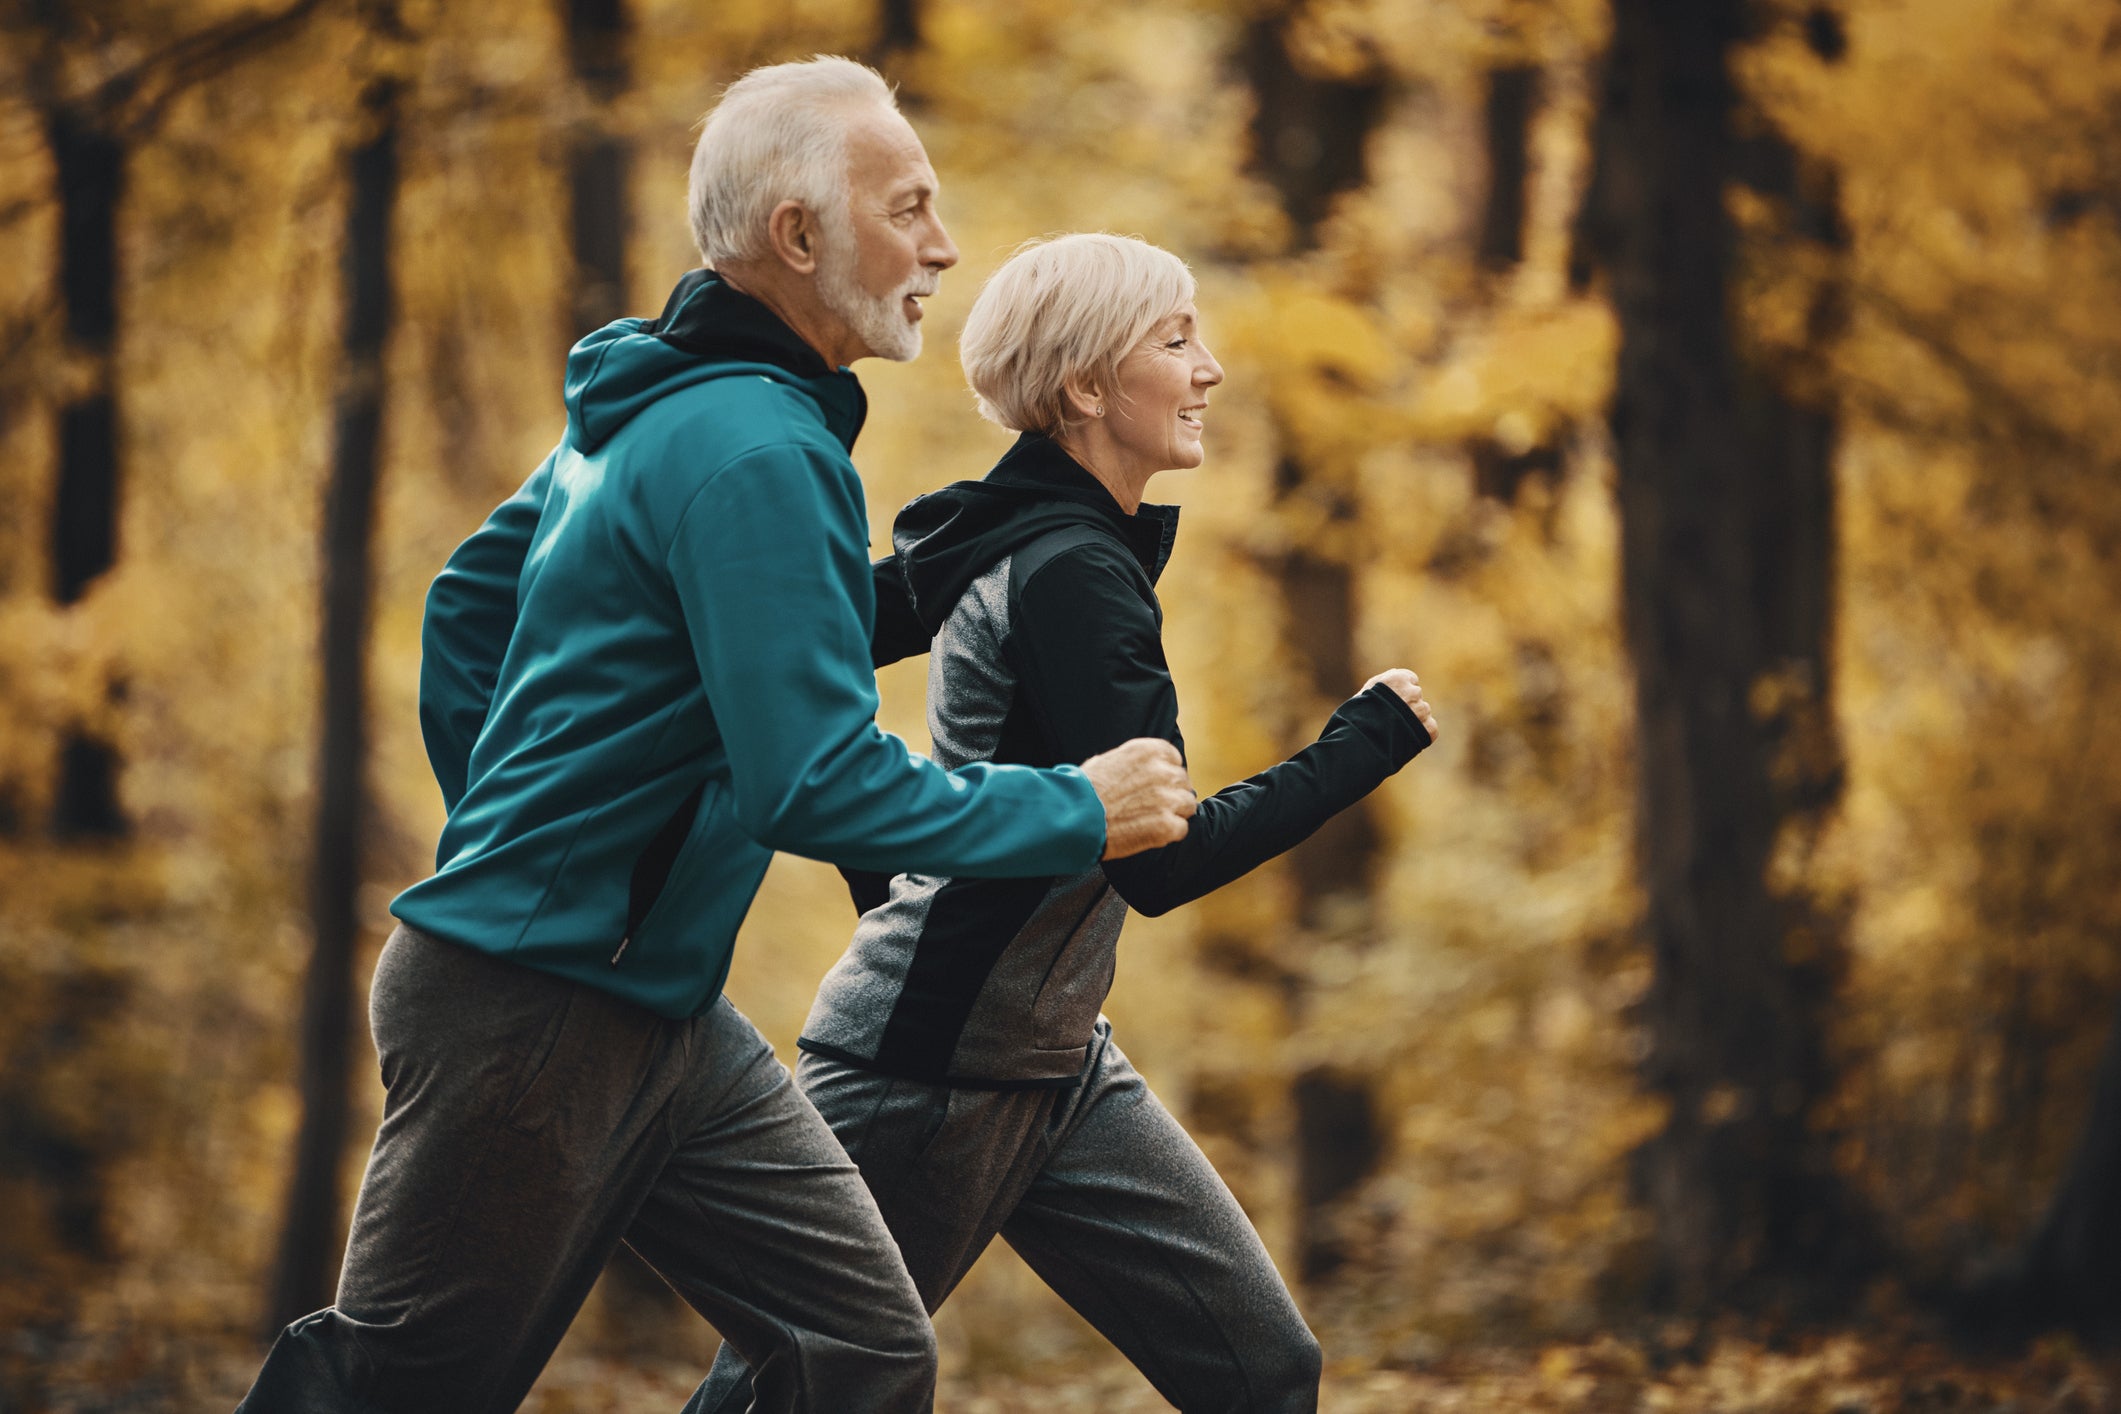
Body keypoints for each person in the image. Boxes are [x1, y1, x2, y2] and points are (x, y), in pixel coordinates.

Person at [238, 66, 1197, 1414]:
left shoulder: (651, 409)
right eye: (908, 208)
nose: (944, 245)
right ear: (799, 237)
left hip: (662, 1012)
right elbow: (812, 779)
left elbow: (472, 603)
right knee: (401, 1384)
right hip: (536, 1013)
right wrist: (1071, 806)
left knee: (857, 1348)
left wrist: (532, 830)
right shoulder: (754, 448)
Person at [689, 232, 1439, 1414]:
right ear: (1086, 387)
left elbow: (843, 717)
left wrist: (908, 898)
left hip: (1057, 1059)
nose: (1212, 369)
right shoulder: (1068, 569)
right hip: (928, 1072)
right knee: (800, 1391)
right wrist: (1363, 744)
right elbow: (1161, 863)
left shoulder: (1017, 539)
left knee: (1263, 1369)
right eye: (1177, 338)